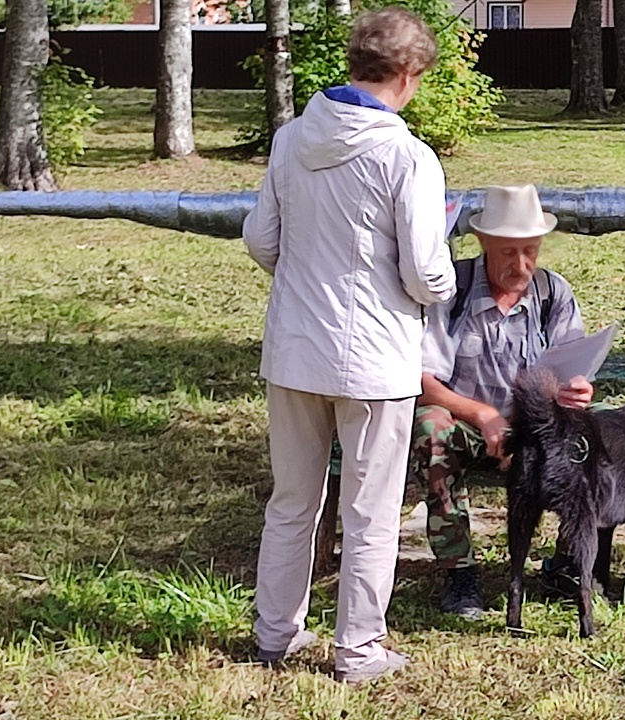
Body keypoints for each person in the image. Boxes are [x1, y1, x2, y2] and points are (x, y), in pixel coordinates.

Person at [242, 7, 456, 684]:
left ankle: (275, 635)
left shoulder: (291, 138)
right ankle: (358, 650)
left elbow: (262, 241)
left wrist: (313, 275)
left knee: (293, 501)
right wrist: (446, 271)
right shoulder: (406, 155)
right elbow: (425, 274)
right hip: (373, 360)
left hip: (296, 348)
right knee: (370, 513)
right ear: (408, 73)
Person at [415, 184, 594, 619]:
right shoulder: (450, 289)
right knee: (430, 427)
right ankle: (460, 573)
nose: (522, 265)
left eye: (530, 251)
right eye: (508, 253)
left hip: (535, 426)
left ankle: (570, 561)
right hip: (467, 420)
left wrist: (577, 391)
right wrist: (483, 414)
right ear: (482, 243)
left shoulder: (552, 293)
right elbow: (420, 380)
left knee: (597, 434)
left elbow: (574, 369)